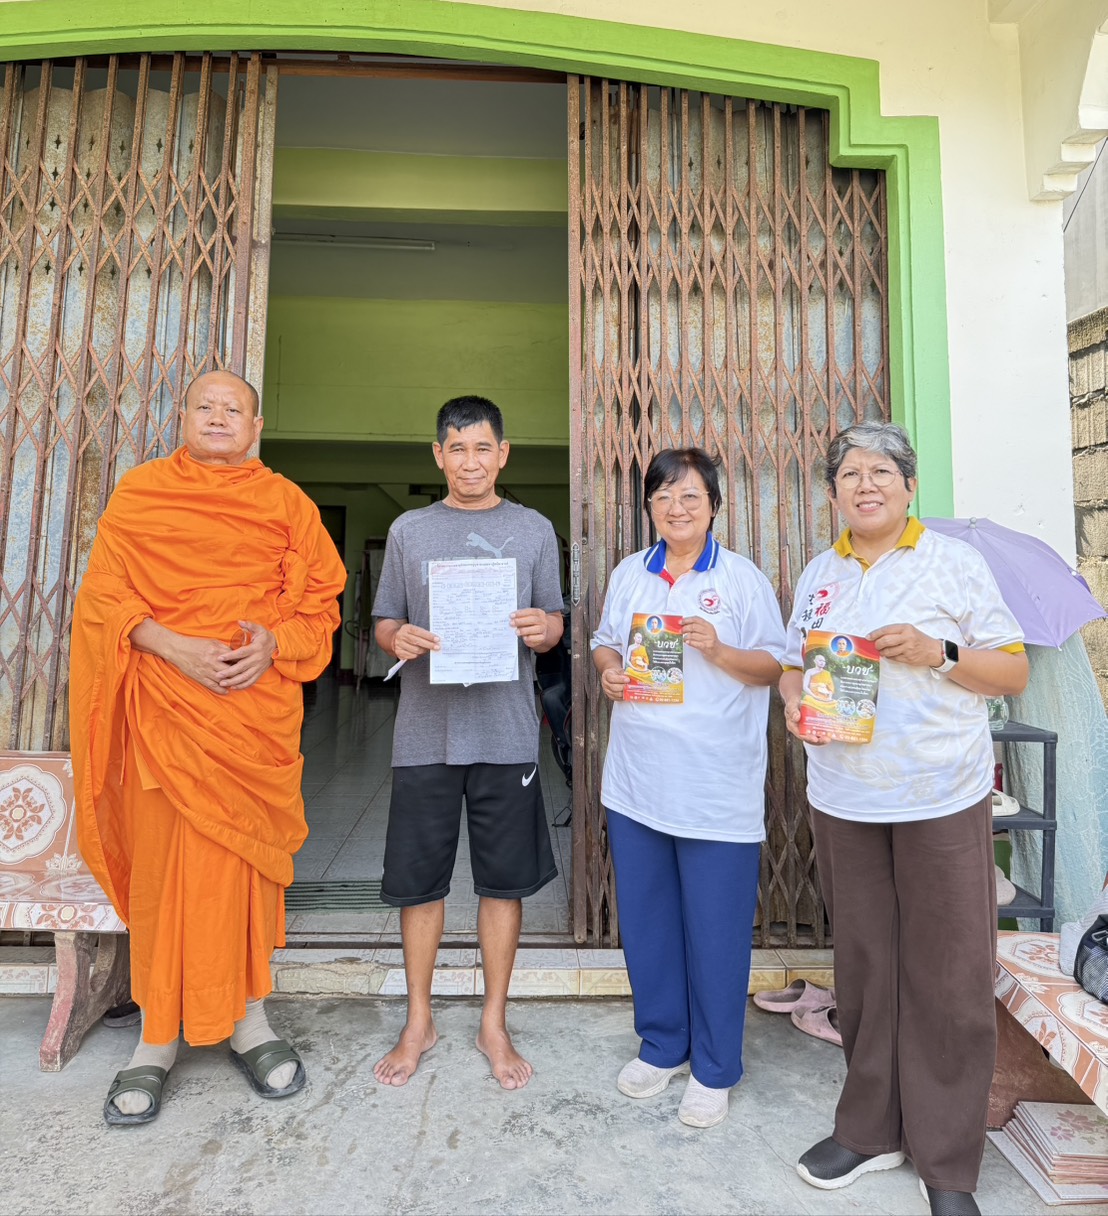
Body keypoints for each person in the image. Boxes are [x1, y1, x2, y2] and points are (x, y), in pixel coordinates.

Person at [69, 369, 347, 1125]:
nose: (220, 417)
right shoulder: (140, 494)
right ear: (183, 418)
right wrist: (171, 646)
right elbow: (104, 596)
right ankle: (156, 1037)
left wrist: (272, 646)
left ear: (257, 429)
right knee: (164, 872)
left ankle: (249, 1021)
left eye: (236, 409)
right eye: (206, 407)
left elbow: (321, 605)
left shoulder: (287, 503)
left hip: (248, 722)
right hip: (163, 712)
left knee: (245, 870)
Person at [780, 422, 1028, 1215]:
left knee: (949, 977)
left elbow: (1011, 669)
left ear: (909, 486)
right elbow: (794, 665)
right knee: (864, 970)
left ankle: (948, 1161)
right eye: (850, 473)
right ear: (833, 493)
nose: (865, 484)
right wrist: (793, 702)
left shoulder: (955, 563)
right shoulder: (821, 572)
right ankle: (869, 1129)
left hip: (939, 797)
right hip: (845, 797)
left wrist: (939, 653)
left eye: (881, 471)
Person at [372, 395, 564, 1090]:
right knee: (421, 886)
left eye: (483, 448)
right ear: (438, 456)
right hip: (424, 734)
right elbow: (384, 619)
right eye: (457, 448)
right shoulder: (409, 531)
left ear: (503, 454)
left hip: (506, 731)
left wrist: (546, 629)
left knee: (501, 884)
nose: (471, 461)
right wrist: (397, 637)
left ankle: (493, 1021)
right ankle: (418, 1019)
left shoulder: (534, 529)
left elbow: (555, 619)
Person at [591, 448, 786, 1128]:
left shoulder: (741, 579)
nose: (677, 508)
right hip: (638, 782)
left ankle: (714, 1065)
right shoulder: (630, 575)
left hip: (716, 787)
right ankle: (662, 1044)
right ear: (649, 507)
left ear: (714, 505)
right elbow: (603, 640)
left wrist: (717, 648)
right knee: (647, 925)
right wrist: (609, 670)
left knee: (716, 933)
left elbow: (774, 666)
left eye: (690, 497)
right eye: (664, 497)